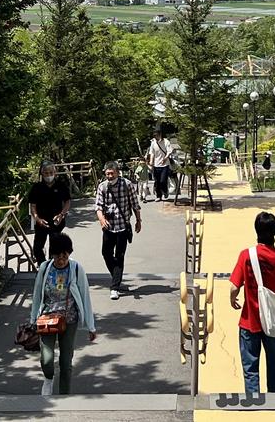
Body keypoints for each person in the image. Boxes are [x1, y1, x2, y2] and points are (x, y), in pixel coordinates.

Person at [229, 211, 275, 397]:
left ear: (256, 230)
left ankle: (255, 405)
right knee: (274, 365)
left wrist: (232, 300)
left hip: (249, 321)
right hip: (272, 319)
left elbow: (234, 286)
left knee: (250, 367)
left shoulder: (246, 255)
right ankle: (273, 401)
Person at [28, 232, 97, 397]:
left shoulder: (76, 269)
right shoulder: (45, 268)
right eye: (58, 256)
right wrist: (32, 319)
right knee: (46, 359)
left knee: (66, 361)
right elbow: (37, 294)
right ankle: (48, 378)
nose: (61, 259)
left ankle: (64, 396)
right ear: (52, 254)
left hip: (69, 319)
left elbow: (85, 296)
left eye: (65, 256)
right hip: (46, 318)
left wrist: (91, 326)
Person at [95, 159, 142, 298]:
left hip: (123, 226)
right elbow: (98, 206)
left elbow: (135, 204)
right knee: (106, 253)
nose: (110, 177)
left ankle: (114, 287)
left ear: (118, 173)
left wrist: (138, 220)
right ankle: (117, 276)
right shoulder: (102, 186)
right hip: (109, 226)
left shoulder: (127, 185)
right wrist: (102, 219)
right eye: (107, 174)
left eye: (112, 174)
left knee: (119, 256)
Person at [28, 161, 72, 266]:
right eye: (46, 173)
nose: (49, 175)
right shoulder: (36, 187)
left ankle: (54, 267)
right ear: (42, 174)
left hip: (56, 221)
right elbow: (32, 205)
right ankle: (43, 266)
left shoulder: (61, 185)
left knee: (55, 247)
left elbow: (67, 202)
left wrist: (62, 214)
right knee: (37, 248)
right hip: (41, 221)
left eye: (51, 172)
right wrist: (37, 218)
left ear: (55, 173)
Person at [147, 131, 172, 200]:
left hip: (165, 165)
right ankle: (159, 196)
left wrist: (165, 158)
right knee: (157, 181)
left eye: (157, 135)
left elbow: (169, 151)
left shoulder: (166, 142)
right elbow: (152, 153)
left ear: (160, 135)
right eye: (154, 136)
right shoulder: (153, 142)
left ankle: (165, 191)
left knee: (163, 180)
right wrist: (151, 161)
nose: (156, 137)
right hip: (156, 165)